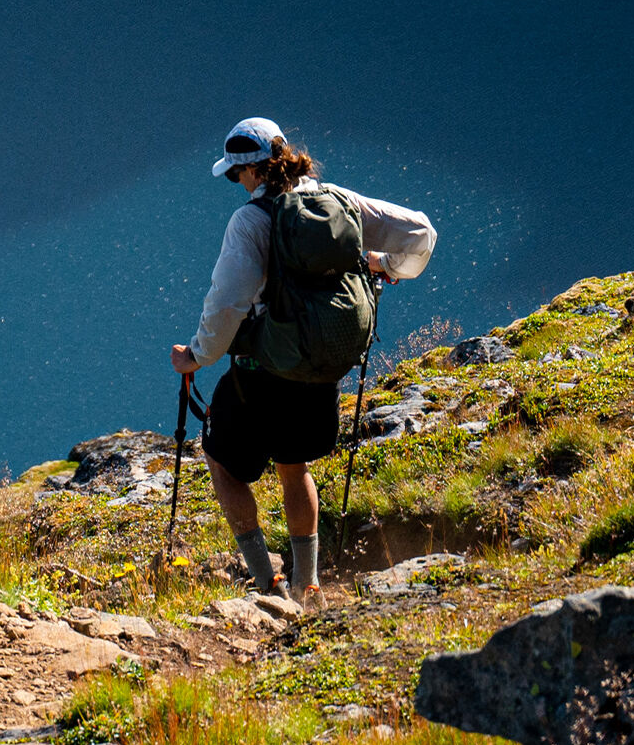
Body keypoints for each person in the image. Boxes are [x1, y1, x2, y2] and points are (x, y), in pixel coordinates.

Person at [171, 117, 436, 603]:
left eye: (235, 175)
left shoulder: (250, 221)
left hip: (262, 373)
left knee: (222, 463)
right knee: (294, 467)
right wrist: (384, 265)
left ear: (248, 173)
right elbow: (420, 232)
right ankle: (307, 585)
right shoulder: (338, 201)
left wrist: (196, 356)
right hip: (322, 369)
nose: (237, 184)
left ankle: (264, 581)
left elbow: (227, 303)